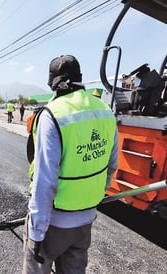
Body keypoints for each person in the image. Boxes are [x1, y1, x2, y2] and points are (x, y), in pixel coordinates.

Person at [22, 55, 118, 274]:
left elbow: (44, 180)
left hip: (53, 224)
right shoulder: (105, 111)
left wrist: (36, 233)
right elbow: (111, 165)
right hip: (84, 221)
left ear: (53, 82)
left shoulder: (53, 114)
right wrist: (89, 197)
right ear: (79, 79)